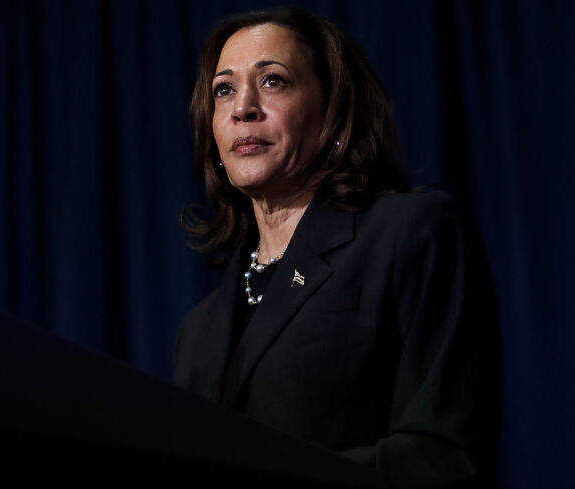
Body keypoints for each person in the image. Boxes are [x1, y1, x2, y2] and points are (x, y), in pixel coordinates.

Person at [173, 7, 501, 489]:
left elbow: (445, 454)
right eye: (224, 90)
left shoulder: (410, 236)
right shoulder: (198, 330)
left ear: (332, 111)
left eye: (273, 82)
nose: (242, 106)